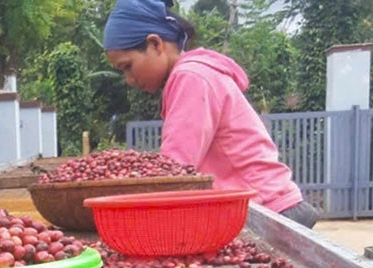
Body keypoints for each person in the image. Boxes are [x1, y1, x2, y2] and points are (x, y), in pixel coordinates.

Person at [103, 0, 321, 229]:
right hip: (264, 205)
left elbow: (174, 169)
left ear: (155, 44)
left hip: (267, 210)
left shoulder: (191, 77)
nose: (129, 79)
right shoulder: (194, 74)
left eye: (127, 66)